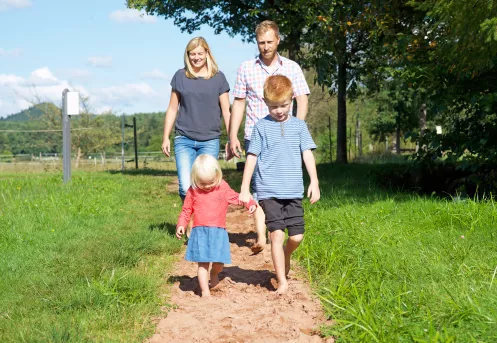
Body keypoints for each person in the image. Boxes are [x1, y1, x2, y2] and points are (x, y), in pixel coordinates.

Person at [229, 20, 310, 253]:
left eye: (269, 42)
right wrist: (232, 135)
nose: (265, 47)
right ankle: (262, 236)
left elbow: (302, 98)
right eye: (261, 43)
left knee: (282, 181)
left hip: (286, 135)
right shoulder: (246, 68)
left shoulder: (292, 67)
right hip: (256, 133)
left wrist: (298, 128)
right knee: (259, 185)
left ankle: (275, 229)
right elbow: (239, 102)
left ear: (278, 40)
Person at [239, 75, 320, 294]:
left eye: (284, 105)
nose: (280, 110)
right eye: (274, 106)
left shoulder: (299, 127)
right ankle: (282, 281)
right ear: (266, 103)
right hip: (268, 190)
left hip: (293, 190)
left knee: (296, 237)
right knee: (276, 234)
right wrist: (245, 187)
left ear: (291, 100)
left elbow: (307, 154)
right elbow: (252, 157)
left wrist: (314, 181)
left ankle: (286, 254)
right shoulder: (261, 128)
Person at [176, 154, 257, 297]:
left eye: (211, 182)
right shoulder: (193, 190)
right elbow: (186, 210)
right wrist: (181, 224)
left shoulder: (222, 187)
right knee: (203, 265)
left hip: (219, 232)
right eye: (202, 183)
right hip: (200, 232)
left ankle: (214, 273)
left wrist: (249, 203)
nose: (207, 186)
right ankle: (205, 292)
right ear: (195, 179)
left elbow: (237, 197)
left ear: (217, 175)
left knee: (219, 263)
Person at [162, 37, 231, 202]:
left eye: (200, 53)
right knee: (186, 187)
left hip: (210, 140)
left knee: (206, 184)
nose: (196, 57)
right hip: (183, 139)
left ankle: (203, 223)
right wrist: (165, 136)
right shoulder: (180, 76)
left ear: (207, 53)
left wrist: (231, 138)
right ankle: (189, 225)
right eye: (192, 54)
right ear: (187, 55)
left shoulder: (219, 78)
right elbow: (172, 108)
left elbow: (227, 111)